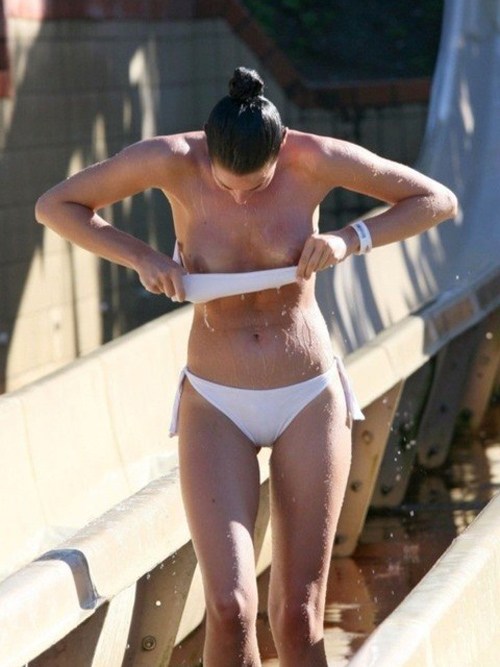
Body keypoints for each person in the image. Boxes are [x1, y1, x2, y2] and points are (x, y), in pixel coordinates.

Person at [35, 67, 457, 666]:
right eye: (226, 185)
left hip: (307, 395)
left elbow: (436, 200)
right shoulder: (170, 159)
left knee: (298, 614)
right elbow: (55, 205)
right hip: (217, 400)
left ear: (280, 151)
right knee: (230, 607)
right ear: (207, 151)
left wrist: (350, 237)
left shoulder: (313, 158)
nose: (239, 199)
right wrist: (143, 257)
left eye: (256, 186)